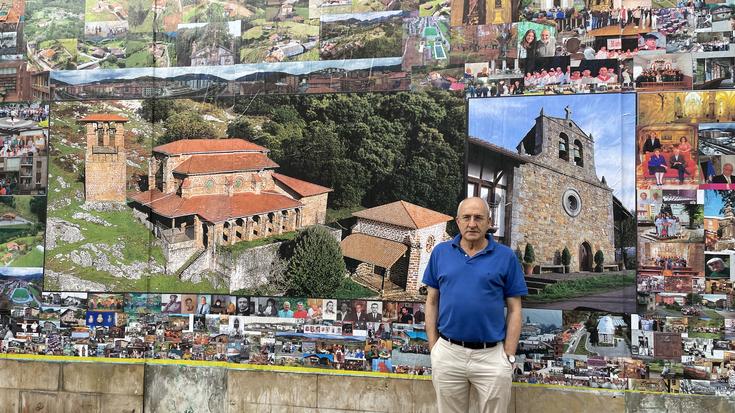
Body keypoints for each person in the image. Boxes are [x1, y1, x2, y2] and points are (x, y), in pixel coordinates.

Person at [424, 197, 527, 413]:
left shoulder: (506, 257)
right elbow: (432, 301)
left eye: (479, 218)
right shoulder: (440, 253)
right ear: (457, 221)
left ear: (489, 222)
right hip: (448, 353)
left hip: (491, 357)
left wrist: (508, 355)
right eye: (467, 217)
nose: (472, 223)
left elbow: (515, 309)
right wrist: (434, 348)